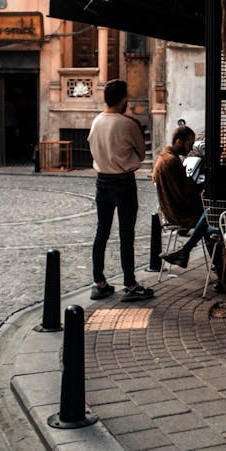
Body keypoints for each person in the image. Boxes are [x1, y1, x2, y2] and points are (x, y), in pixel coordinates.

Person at [88, 79, 154, 303]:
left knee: (102, 231)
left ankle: (99, 282)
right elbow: (142, 154)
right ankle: (130, 284)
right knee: (126, 233)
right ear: (123, 99)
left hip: (102, 181)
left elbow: (92, 148)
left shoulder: (96, 121)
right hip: (124, 182)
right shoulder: (127, 124)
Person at [152, 125, 220, 272]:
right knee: (210, 217)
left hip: (172, 209)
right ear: (178, 142)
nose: (190, 149)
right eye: (189, 144)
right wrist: (200, 191)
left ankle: (186, 253)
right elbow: (184, 194)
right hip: (178, 213)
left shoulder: (165, 157)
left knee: (209, 224)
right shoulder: (171, 162)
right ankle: (221, 270)